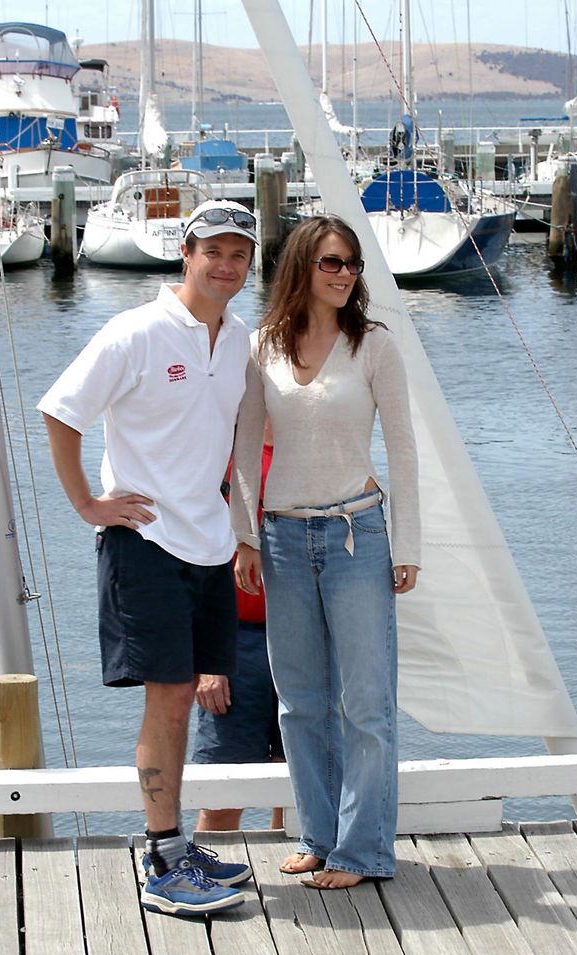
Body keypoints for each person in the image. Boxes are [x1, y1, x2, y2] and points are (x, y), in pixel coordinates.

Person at [37, 199, 258, 918]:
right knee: (166, 700)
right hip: (145, 543)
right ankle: (163, 861)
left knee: (183, 697)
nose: (225, 264)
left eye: (239, 253)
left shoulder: (239, 341)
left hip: (210, 545)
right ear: (185, 252)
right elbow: (60, 410)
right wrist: (88, 505)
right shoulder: (134, 331)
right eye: (212, 250)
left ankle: (176, 847)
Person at [231, 214, 421, 890]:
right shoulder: (263, 346)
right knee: (300, 700)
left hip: (356, 534)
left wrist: (408, 544)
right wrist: (245, 534)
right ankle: (320, 836)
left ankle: (363, 851)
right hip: (281, 538)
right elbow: (247, 446)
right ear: (303, 268)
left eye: (352, 265)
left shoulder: (373, 346)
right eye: (332, 263)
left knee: (366, 701)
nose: (345, 275)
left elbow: (402, 449)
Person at [192, 420, 284, 832]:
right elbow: (194, 560)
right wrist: (207, 660)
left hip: (305, 637)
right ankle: (207, 869)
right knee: (223, 787)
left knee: (298, 780)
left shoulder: (318, 454)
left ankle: (299, 870)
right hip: (234, 640)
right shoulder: (217, 459)